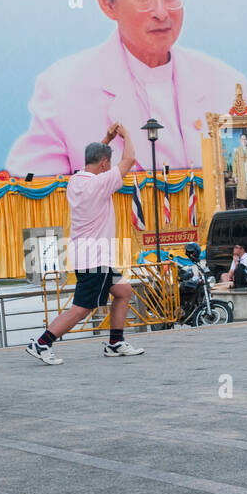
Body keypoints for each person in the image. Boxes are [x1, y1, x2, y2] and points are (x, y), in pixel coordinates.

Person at [5, 0, 247, 176]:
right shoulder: (61, 90)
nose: (161, 12)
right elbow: (33, 194)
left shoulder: (227, 84)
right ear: (107, 0)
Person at [25, 124, 145, 365]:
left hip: (87, 255)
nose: (110, 168)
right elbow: (130, 158)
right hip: (95, 258)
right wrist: (126, 135)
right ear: (103, 165)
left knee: (123, 291)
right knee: (81, 308)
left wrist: (108, 139)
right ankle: (42, 343)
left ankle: (115, 342)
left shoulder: (76, 181)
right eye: (108, 164)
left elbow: (96, 157)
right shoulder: (99, 184)